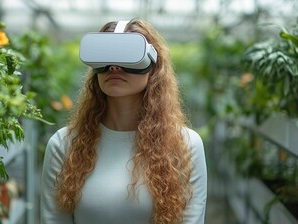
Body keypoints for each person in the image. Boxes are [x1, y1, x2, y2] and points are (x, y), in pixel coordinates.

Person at [40, 19, 207, 224]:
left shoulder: (185, 145)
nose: (114, 67)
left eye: (128, 56)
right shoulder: (64, 145)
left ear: (153, 66)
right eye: (106, 56)